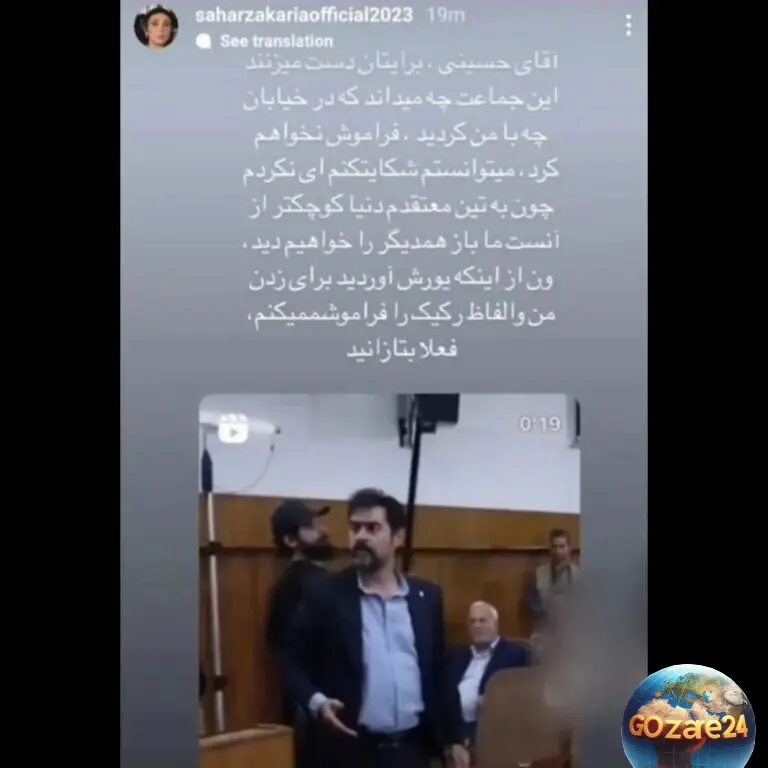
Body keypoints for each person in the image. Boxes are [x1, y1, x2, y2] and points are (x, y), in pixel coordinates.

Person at [282, 488, 470, 768]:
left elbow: (441, 671)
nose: (361, 537)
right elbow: (290, 660)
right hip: (350, 751)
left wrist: (454, 738)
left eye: (372, 528)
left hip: (411, 750)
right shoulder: (326, 595)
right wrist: (317, 701)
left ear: (398, 537)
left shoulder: (426, 598)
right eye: (355, 528)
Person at [265, 500, 334, 718]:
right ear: (290, 540)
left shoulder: (287, 584)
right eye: (311, 527)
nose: (323, 531)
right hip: (317, 706)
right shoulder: (312, 584)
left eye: (319, 524)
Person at [448, 601, 529, 746]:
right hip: (458, 731)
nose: (477, 626)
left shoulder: (514, 654)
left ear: (495, 624)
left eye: (482, 620)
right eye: (472, 621)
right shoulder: (456, 656)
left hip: (494, 734)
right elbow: (445, 698)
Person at [524, 528, 579, 657]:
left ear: (569, 549)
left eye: (562, 546)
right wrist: (549, 610)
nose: (558, 551)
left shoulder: (580, 576)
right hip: (544, 630)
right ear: (550, 549)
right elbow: (530, 604)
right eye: (555, 546)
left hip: (571, 633)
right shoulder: (538, 573)